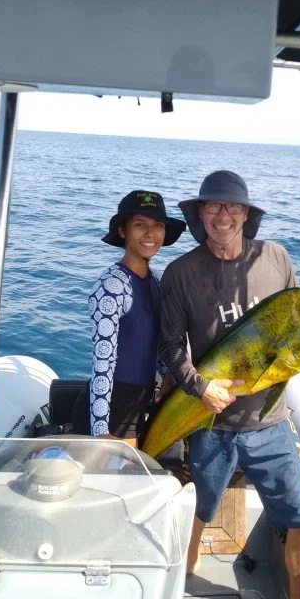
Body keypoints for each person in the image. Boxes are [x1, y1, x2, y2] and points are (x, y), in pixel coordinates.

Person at [159, 171, 300, 599]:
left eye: (232, 206)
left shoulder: (276, 258)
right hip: (210, 421)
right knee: (200, 510)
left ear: (246, 213)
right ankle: (185, 577)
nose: (223, 215)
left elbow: (297, 323)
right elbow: (171, 347)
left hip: (270, 420)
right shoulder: (180, 273)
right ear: (200, 214)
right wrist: (200, 388)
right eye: (213, 205)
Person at [83, 190, 185, 448]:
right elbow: (102, 362)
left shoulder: (157, 280)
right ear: (122, 231)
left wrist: (168, 375)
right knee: (127, 472)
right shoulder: (111, 286)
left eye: (158, 225)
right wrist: (100, 429)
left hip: (142, 400)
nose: (151, 233)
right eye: (140, 225)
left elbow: (155, 341)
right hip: (116, 407)